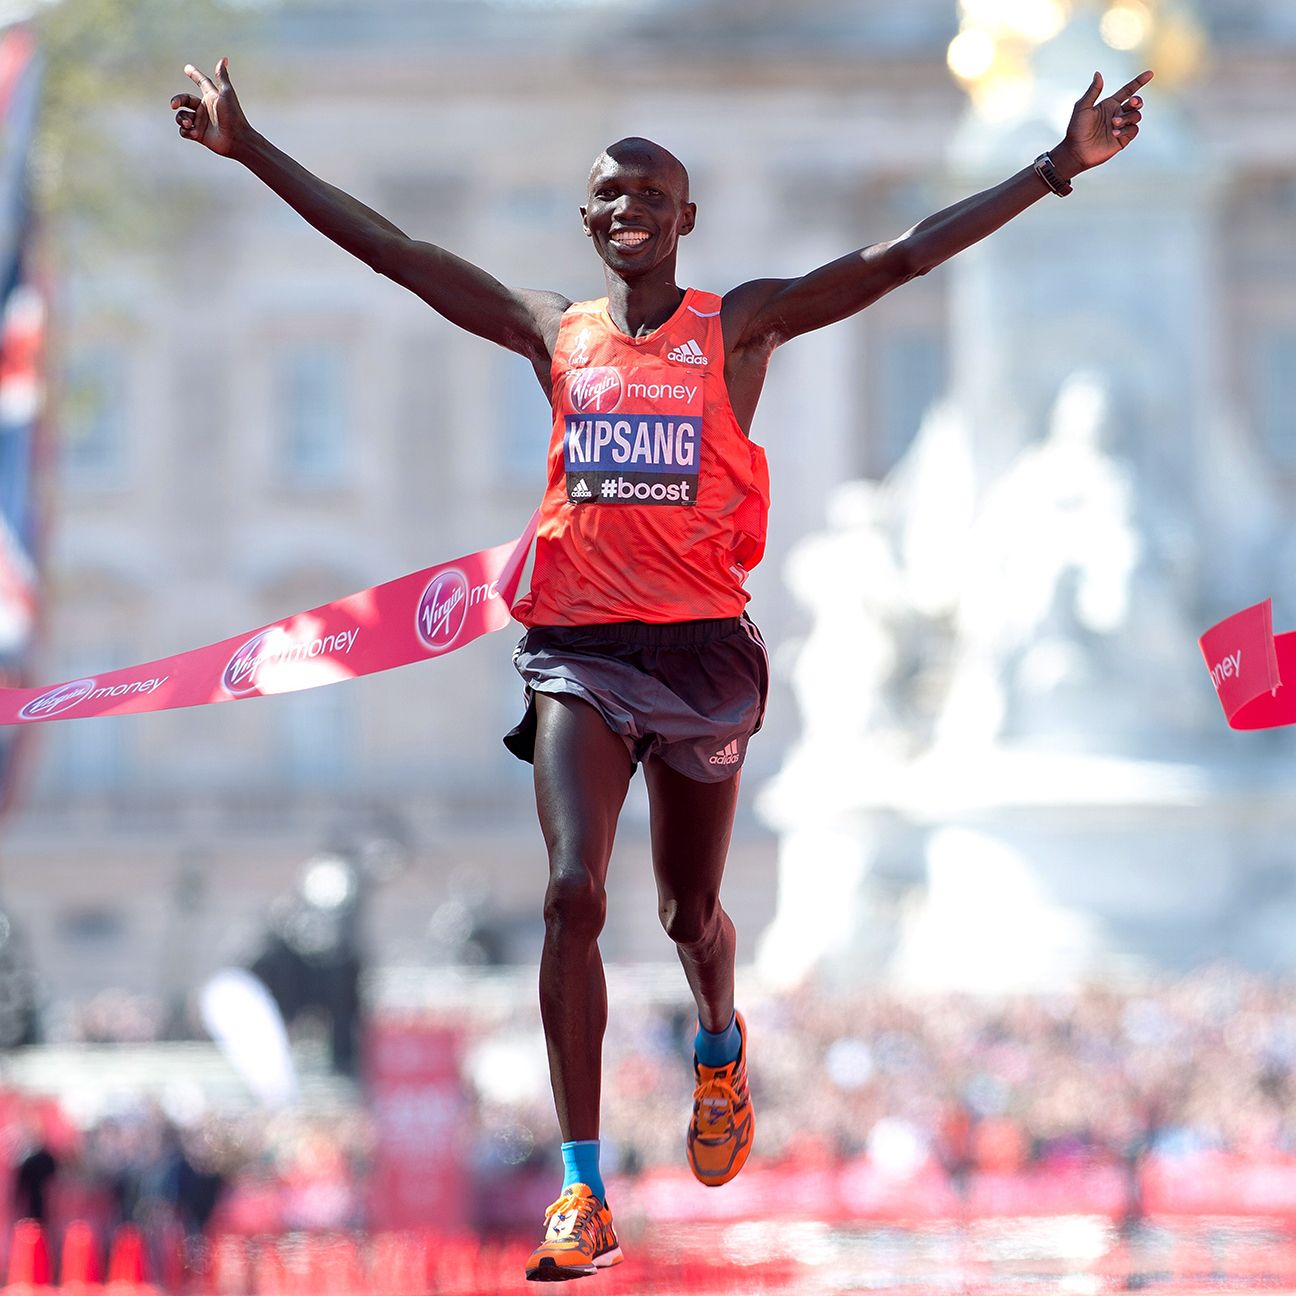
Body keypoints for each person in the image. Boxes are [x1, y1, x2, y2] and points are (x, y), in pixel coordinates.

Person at [170, 58, 1152, 1281]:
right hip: (577, 652)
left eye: (652, 194)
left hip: (703, 662)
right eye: (607, 194)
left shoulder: (735, 327)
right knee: (572, 894)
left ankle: (720, 1042)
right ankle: (584, 1192)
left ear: (685, 221)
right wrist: (250, 148)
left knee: (690, 913)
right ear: (588, 222)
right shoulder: (555, 333)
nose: (628, 207)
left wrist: (1058, 167)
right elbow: (398, 253)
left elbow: (898, 258)